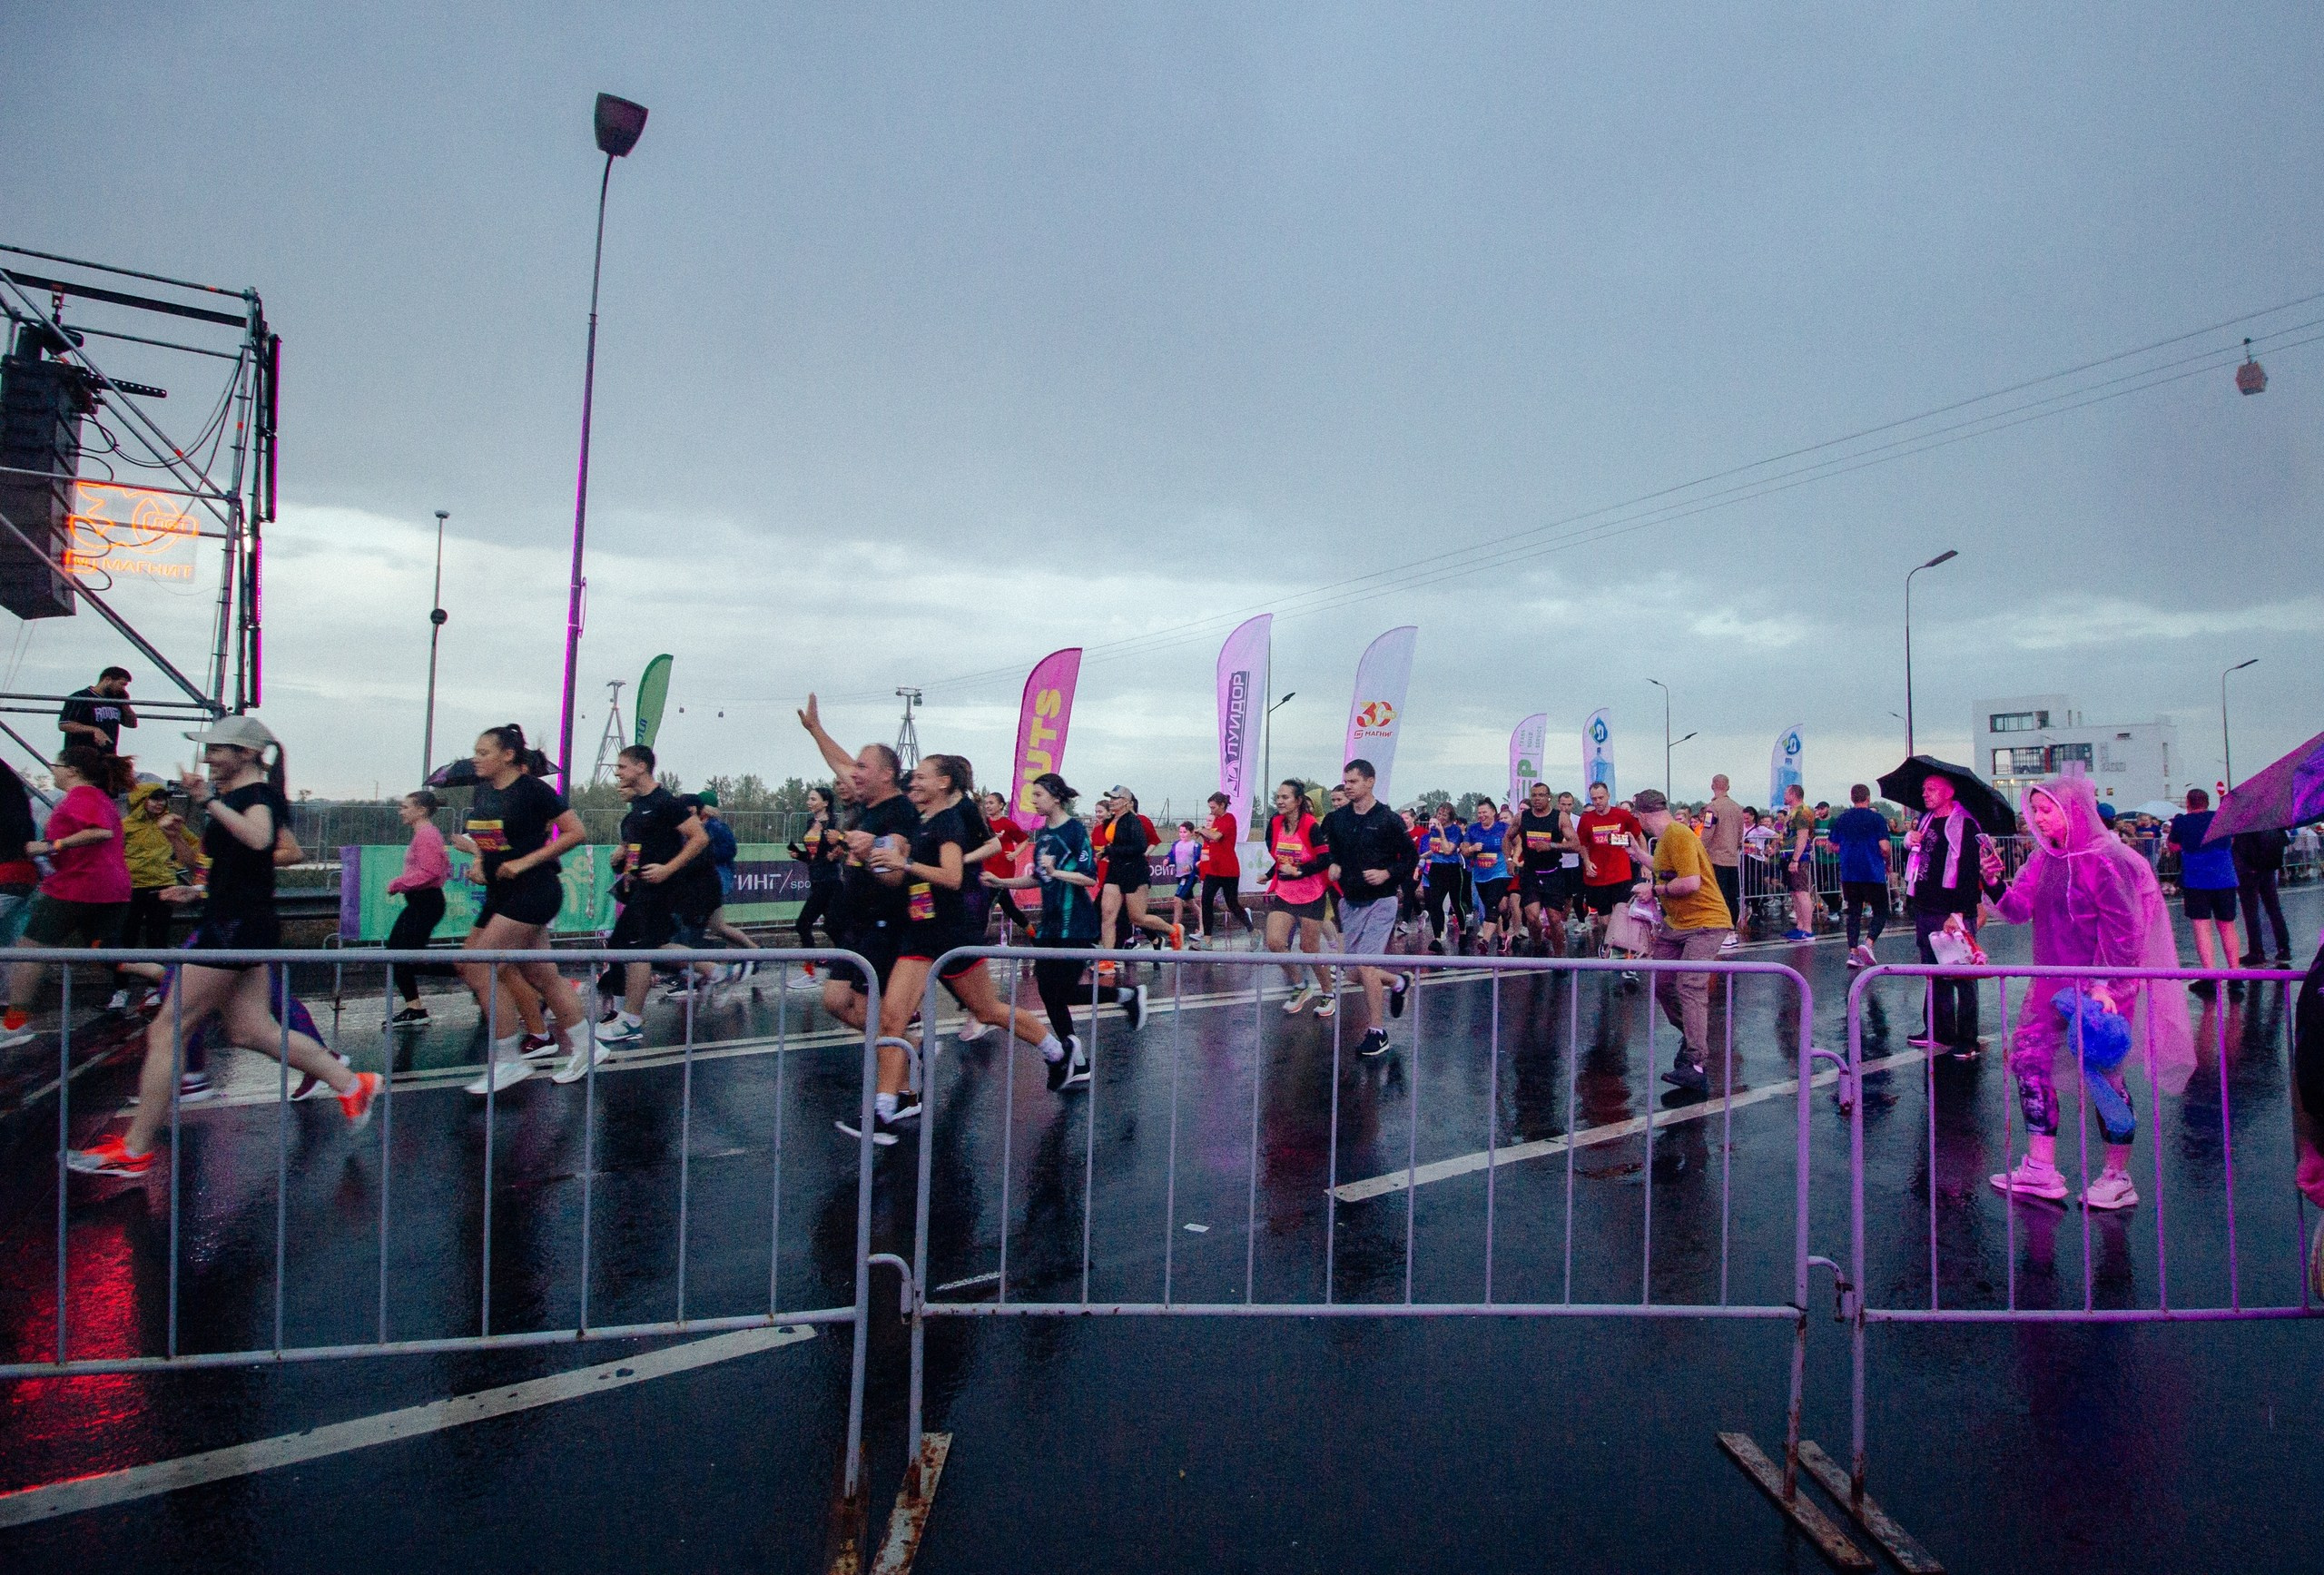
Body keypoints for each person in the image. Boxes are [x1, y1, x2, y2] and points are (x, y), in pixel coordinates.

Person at [66, 716, 379, 1177]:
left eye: (216, 750)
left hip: (233, 928)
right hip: (238, 921)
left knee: (168, 1031)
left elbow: (259, 840)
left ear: (247, 753)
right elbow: (232, 867)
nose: (208, 758)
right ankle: (351, 1083)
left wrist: (207, 801)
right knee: (250, 1030)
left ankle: (135, 1150)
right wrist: (197, 888)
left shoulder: (257, 796)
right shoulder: (236, 797)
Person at [1978, 775, 2192, 1208]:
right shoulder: (2044, 859)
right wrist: (1994, 883)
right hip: (2051, 984)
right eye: (2035, 810)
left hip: (2103, 987)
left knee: (2106, 1076)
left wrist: (2105, 985)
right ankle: (2040, 1168)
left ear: (2073, 810)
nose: (2038, 818)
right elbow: (2017, 910)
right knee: (2029, 1061)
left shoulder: (2110, 860)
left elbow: (2126, 931)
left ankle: (2118, 1175)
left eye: (2047, 809)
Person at [798, 695, 924, 1143]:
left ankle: (891, 1098)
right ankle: (907, 1049)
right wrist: (816, 729)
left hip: (884, 925)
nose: (853, 773)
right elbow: (841, 763)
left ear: (886, 774)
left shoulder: (899, 812)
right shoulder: (869, 806)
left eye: (863, 767)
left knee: (886, 1018)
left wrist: (872, 852)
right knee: (837, 1001)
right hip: (856, 925)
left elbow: (896, 874)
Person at [449, 724, 591, 1092]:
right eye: (475, 752)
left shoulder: (533, 790)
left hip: (534, 890)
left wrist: (525, 862)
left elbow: (576, 833)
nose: (476, 759)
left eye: (484, 753)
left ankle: (509, 1060)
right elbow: (490, 842)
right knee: (541, 975)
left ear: (508, 755)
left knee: (479, 967)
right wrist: (481, 864)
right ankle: (589, 1047)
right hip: (501, 893)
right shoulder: (483, 791)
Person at [981, 773, 1141, 1091]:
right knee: (1049, 992)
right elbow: (1038, 878)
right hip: (1051, 924)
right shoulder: (1043, 835)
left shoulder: (1074, 831)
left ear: (1056, 797)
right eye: (1032, 795)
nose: (1033, 801)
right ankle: (1077, 1059)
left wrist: (1057, 872)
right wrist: (1002, 882)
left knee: (1061, 992)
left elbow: (1088, 878)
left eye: (1038, 795)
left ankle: (1125, 999)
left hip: (1076, 923)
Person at [0, 745, 134, 1051]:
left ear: (72, 770)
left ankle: (15, 1024)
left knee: (28, 951)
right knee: (104, 953)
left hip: (76, 887)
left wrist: (50, 845)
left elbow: (100, 832)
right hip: (109, 888)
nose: (53, 771)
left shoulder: (82, 796)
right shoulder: (99, 797)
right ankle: (167, 975)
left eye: (56, 765)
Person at [596, 747, 717, 1048]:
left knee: (641, 948)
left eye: (622, 767)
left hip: (661, 888)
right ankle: (622, 1014)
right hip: (641, 888)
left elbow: (700, 838)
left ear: (641, 766)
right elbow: (637, 848)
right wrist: (623, 861)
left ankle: (631, 1020)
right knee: (622, 945)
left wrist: (667, 869)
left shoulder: (665, 802)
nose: (617, 773)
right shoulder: (639, 807)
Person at [1630, 789, 1734, 1093]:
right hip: (1677, 924)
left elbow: (1690, 882)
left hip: (1706, 922)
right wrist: (1640, 856)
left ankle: (1696, 1063)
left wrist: (1654, 891)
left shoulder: (1678, 834)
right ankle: (1692, 1036)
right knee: (1662, 983)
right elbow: (1666, 867)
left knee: (1690, 984)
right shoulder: (1666, 839)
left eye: (1637, 816)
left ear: (1642, 815)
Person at [1319, 759, 1418, 1056]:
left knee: (1365, 965)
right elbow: (1329, 851)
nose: (1347, 787)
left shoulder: (1388, 819)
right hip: (1350, 902)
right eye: (1346, 781)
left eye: (1353, 781)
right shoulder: (1338, 819)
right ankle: (1399, 981)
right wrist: (1333, 863)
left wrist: (1387, 873)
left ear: (1370, 782)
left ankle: (1378, 1032)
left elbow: (1410, 858)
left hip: (1382, 901)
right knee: (1353, 973)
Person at [1902, 773, 1985, 1053]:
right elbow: (1918, 862)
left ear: (1949, 792)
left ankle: (1968, 1039)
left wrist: (1959, 913)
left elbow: (1970, 871)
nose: (1924, 794)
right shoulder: (1925, 821)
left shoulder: (1966, 824)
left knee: (1962, 975)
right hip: (1926, 906)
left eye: (1931, 789)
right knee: (1933, 972)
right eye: (1924, 788)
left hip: (1951, 910)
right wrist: (1908, 842)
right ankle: (1940, 1031)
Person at [111, 780, 185, 1009]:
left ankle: (154, 988)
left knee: (158, 938)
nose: (159, 803)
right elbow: (113, 853)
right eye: (154, 798)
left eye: (163, 799)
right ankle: (120, 990)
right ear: (141, 800)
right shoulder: (125, 826)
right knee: (126, 938)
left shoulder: (169, 823)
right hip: (131, 888)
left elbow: (193, 845)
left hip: (163, 887)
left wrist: (177, 862)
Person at [1264, 779, 1334, 1011]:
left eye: (1285, 797)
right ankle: (1300, 985)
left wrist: (1300, 870)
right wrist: (1271, 873)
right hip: (1285, 892)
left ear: (1298, 801)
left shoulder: (1311, 826)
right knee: (1274, 942)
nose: (1280, 801)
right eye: (1278, 797)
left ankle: (1328, 993)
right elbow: (1277, 854)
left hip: (1311, 894)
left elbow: (1325, 860)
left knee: (1309, 949)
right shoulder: (1275, 823)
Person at [2168, 788, 2242, 999]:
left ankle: (2209, 977)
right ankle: (2235, 976)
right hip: (2224, 878)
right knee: (2227, 926)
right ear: (2207, 802)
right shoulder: (2221, 818)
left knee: (2202, 927)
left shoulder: (2182, 822)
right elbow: (2231, 841)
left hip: (2196, 880)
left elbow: (2173, 846)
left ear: (2188, 803)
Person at [385, 789, 450, 1025]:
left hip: (426, 901)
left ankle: (473, 970)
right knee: (402, 954)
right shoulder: (425, 834)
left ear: (421, 810)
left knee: (402, 954)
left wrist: (399, 883)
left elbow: (430, 871)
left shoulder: (426, 835)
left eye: (405, 807)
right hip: (422, 901)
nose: (401, 811)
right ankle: (415, 1009)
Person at [1576, 779, 1649, 980]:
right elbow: (1582, 844)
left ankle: (1624, 955)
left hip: (1621, 874)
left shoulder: (1622, 815)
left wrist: (1644, 862)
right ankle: (1608, 943)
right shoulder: (1587, 819)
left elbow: (1640, 837)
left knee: (1622, 915)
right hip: (1598, 877)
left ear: (1608, 796)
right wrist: (1587, 861)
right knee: (1605, 920)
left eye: (1601, 797)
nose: (1598, 802)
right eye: (1594, 799)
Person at [1100, 788, 1177, 951]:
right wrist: (1106, 852)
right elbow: (1114, 844)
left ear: (1126, 802)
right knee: (1107, 915)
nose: (1111, 801)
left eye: (1115, 798)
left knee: (1137, 918)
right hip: (1115, 871)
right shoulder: (1111, 820)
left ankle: (1173, 930)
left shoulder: (1133, 821)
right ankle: (1107, 959)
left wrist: (1111, 850)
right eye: (1110, 798)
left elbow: (1140, 847)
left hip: (1134, 871)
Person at [785, 784, 846, 989]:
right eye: (808, 799)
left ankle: (811, 974)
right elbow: (814, 858)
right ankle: (850, 963)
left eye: (813, 799)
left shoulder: (834, 824)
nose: (809, 802)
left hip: (830, 882)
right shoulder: (810, 823)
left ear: (825, 803)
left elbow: (840, 850)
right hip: (817, 879)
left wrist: (837, 850)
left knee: (803, 924)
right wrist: (799, 855)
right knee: (833, 927)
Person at [1829, 783, 1894, 969]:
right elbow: (1884, 847)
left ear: (1852, 798)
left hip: (1849, 872)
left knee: (1854, 912)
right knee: (1881, 910)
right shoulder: (1877, 819)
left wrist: (1847, 849)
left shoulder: (1842, 818)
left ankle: (1853, 953)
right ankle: (1869, 942)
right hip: (1872, 871)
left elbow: (1832, 846)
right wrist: (1887, 861)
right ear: (1868, 798)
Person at [1512, 782, 1575, 957]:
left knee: (1554, 918)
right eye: (1534, 795)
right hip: (1530, 873)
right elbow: (1508, 837)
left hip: (1552, 873)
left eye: (1541, 795)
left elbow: (1575, 844)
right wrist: (1509, 859)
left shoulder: (1560, 817)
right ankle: (1538, 945)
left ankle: (1559, 956)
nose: (1537, 799)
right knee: (1532, 917)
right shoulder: (1522, 817)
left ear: (1549, 797)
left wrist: (1551, 846)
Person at [1195, 792, 1249, 946]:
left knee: (1232, 904)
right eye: (1210, 808)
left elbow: (1217, 836)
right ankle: (1207, 940)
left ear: (1222, 805)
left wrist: (1203, 830)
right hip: (1214, 869)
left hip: (1228, 869)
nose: (1211, 810)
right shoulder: (1216, 820)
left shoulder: (1229, 819)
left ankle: (1251, 929)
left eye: (1213, 807)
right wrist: (1203, 835)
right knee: (1206, 900)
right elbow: (1212, 840)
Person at [2232, 826, 2293, 966]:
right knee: (2274, 909)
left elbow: (2241, 848)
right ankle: (2284, 948)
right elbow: (2283, 841)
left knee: (2251, 913)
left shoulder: (2243, 823)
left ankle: (2256, 951)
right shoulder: (2271, 821)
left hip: (2248, 871)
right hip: (2268, 868)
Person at [1702, 774, 1746, 948]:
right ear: (1728, 787)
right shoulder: (1738, 808)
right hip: (1732, 859)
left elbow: (1707, 832)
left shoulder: (1712, 808)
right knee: (1732, 897)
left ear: (1712, 786)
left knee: (1718, 897)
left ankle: (1723, 932)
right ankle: (1732, 931)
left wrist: (1698, 849)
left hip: (1716, 858)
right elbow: (1740, 834)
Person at [1463, 799, 1511, 956]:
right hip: (1481, 875)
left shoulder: (1503, 828)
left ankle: (1485, 941)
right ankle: (1502, 936)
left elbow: (1518, 842)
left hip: (1500, 873)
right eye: (1479, 813)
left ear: (1493, 812)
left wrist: (1512, 858)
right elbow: (1464, 850)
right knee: (1495, 907)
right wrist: (1472, 848)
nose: (1481, 815)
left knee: (1491, 905)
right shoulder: (1473, 829)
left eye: (1485, 812)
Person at [1419, 802, 1468, 953]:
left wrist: (1441, 833)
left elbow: (1447, 850)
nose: (1440, 817)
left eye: (1444, 815)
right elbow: (1435, 849)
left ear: (1450, 817)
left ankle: (1463, 930)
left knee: (1455, 902)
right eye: (1439, 814)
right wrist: (1421, 856)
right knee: (1435, 903)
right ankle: (1437, 938)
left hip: (1451, 869)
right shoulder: (1433, 830)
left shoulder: (1455, 831)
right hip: (1436, 868)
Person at [58, 665, 135, 753]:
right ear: (107, 680)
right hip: (80, 753)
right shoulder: (80, 697)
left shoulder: (115, 700)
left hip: (107, 754)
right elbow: (64, 724)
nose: (123, 688)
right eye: (122, 684)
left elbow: (131, 724)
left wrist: (125, 705)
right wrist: (94, 730)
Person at [1781, 783, 1817, 940]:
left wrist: (1795, 859)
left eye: (1786, 793)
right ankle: (1800, 926)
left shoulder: (1802, 812)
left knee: (1802, 892)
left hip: (1798, 858)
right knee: (1794, 892)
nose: (1784, 796)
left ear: (1793, 794)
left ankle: (1807, 930)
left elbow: (1802, 837)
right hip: (1788, 855)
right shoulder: (1793, 812)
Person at [1167, 821, 1201, 939]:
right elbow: (1171, 855)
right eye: (1180, 832)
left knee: (1177, 899)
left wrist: (1191, 867)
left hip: (1190, 876)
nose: (1182, 834)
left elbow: (1199, 861)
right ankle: (1204, 923)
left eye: (1185, 832)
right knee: (1190, 902)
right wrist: (1167, 860)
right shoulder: (1176, 844)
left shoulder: (1195, 846)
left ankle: (1174, 930)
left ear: (1191, 832)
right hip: (1180, 875)